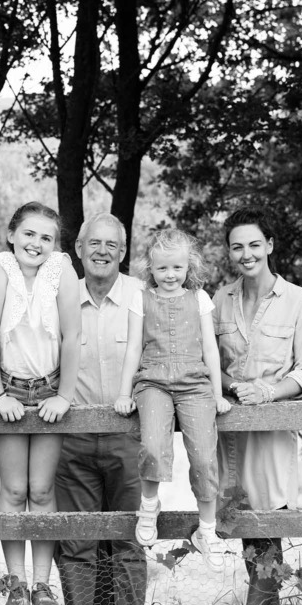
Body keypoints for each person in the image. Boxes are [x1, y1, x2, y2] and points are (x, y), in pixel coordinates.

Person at [0, 202, 80, 605]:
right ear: (12, 234)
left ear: (54, 244)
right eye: (30, 234)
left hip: (51, 387)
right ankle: (15, 585)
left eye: (46, 237)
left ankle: (41, 585)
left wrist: (65, 396)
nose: (36, 243)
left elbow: (73, 337)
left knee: (41, 490)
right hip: (11, 391)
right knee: (14, 490)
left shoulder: (62, 270)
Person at [214, 207, 302, 605]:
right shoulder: (218, 301)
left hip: (272, 430)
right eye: (237, 247)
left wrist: (269, 392)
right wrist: (232, 386)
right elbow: (209, 365)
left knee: (268, 520)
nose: (247, 254)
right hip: (229, 432)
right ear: (229, 252)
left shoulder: (298, 300)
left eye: (255, 244)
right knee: (241, 522)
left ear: (270, 246)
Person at [114, 229, 231, 568]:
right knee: (152, 445)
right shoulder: (142, 298)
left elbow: (211, 347)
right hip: (154, 382)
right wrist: (124, 393)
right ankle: (149, 506)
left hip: (195, 384)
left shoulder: (200, 298)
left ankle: (206, 529)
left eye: (177, 268)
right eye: (162, 268)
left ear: (188, 266)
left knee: (205, 457)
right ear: (150, 268)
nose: (170, 275)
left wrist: (218, 394)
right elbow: (134, 346)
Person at [54, 213, 148, 605]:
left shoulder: (144, 297)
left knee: (129, 537)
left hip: (129, 436)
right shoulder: (58, 299)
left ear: (123, 253)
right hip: (72, 437)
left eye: (112, 245)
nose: (103, 251)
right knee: (77, 540)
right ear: (78, 249)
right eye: (94, 243)